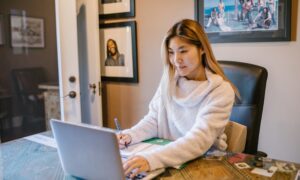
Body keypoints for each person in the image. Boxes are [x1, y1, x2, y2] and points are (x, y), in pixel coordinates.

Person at [118, 19, 238, 178]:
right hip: (168, 160)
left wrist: (151, 159)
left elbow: (198, 141)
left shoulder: (221, 91)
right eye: (171, 52)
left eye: (183, 51)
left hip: (203, 164)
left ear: (201, 48)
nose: (176, 59)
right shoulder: (169, 81)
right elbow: (154, 120)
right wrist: (130, 135)